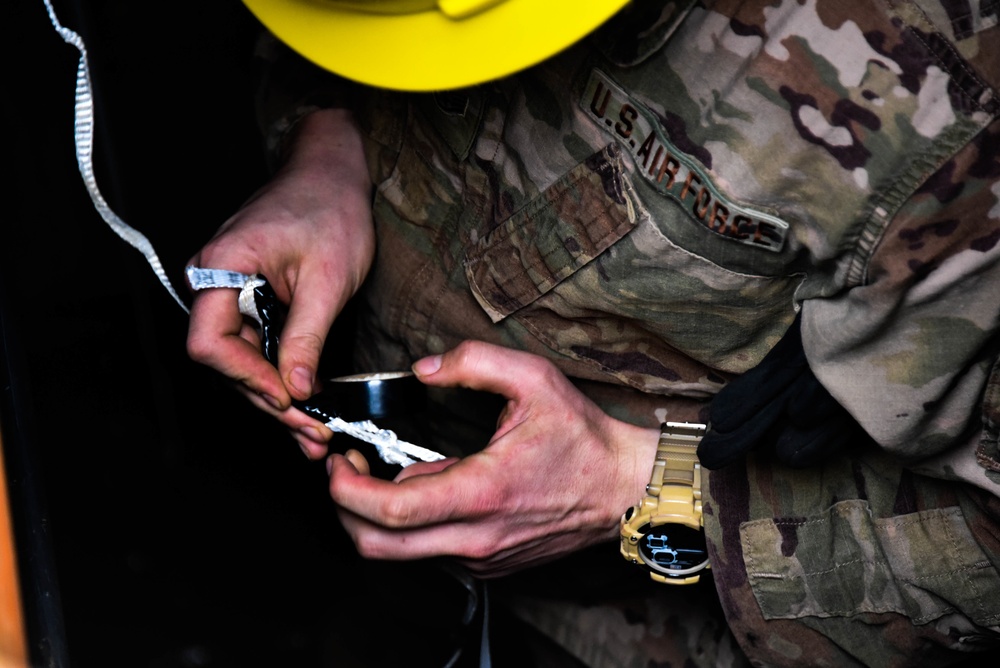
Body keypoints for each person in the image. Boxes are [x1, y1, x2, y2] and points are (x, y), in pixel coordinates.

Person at [185, 0, 1000, 665]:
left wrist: (637, 489)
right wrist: (327, 146)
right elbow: (315, 37)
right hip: (354, 557)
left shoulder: (959, 108)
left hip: (630, 633)